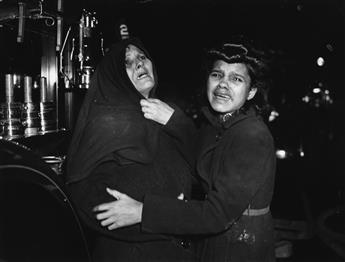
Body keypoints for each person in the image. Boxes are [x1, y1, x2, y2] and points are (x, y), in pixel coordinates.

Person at [93, 39, 276, 262]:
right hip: (219, 241)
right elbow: (202, 163)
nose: (223, 85)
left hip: (237, 247)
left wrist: (143, 211)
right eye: (217, 75)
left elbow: (217, 215)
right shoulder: (222, 124)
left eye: (236, 79)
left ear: (251, 92)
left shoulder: (250, 136)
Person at [65, 37, 197, 262]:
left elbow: (204, 168)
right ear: (114, 77)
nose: (139, 64)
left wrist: (177, 122)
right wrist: (155, 217)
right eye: (127, 62)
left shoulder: (166, 114)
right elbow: (83, 194)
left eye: (142, 57)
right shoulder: (106, 123)